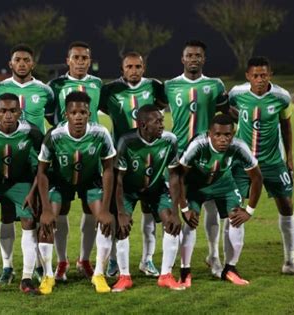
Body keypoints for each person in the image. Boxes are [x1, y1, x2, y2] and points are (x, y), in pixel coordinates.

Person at [229, 56, 294, 277]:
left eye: (264, 75)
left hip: (273, 161)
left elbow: (286, 126)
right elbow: (225, 110)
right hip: (242, 163)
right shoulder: (237, 93)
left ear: (270, 75)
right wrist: (239, 121)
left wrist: (290, 158)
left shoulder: (281, 97)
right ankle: (230, 267)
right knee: (234, 210)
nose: (259, 79)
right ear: (248, 76)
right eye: (255, 75)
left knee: (287, 205)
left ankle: (290, 262)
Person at [0, 44, 53, 284]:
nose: (22, 63)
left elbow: (54, 118)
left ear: (32, 63)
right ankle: (7, 267)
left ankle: (32, 267)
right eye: (17, 59)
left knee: (31, 214)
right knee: (5, 214)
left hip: (33, 161)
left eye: (26, 59)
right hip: (4, 158)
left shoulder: (44, 90)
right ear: (11, 62)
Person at [36, 91, 115, 294]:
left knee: (105, 221)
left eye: (83, 112)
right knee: (48, 221)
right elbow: (42, 172)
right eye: (74, 112)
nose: (78, 116)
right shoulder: (54, 135)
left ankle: (98, 273)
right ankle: (51, 272)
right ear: (66, 114)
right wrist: (45, 209)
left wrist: (105, 209)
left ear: (89, 114)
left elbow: (108, 169)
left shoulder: (100, 133)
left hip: (90, 180)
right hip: (61, 180)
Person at [164, 40, 229, 283]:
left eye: (198, 55)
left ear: (204, 59)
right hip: (179, 157)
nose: (193, 59)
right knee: (179, 208)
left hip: (208, 157)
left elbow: (226, 114)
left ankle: (213, 256)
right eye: (189, 55)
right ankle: (172, 263)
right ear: (182, 59)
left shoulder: (215, 85)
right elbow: (154, 110)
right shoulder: (170, 86)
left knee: (211, 207)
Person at [99, 51, 167, 278]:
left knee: (149, 212)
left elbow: (159, 111)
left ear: (144, 68)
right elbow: (104, 110)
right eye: (129, 66)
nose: (134, 71)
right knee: (117, 212)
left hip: (148, 158)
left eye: (138, 66)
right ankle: (114, 262)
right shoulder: (109, 90)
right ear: (122, 69)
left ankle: (147, 260)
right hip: (121, 157)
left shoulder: (155, 86)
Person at [177, 114, 263, 286]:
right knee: (190, 222)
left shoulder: (239, 146)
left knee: (236, 219)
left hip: (225, 185)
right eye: (218, 135)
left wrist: (249, 210)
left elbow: (257, 178)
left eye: (227, 135)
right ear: (209, 134)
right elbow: (179, 176)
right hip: (197, 186)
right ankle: (185, 272)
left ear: (233, 134)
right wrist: (184, 208)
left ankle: (230, 269)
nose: (223, 139)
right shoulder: (198, 145)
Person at [0, 93, 43, 297]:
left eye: (13, 111)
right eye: (3, 111)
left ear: (19, 112)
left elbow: (43, 163)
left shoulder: (31, 130)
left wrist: (33, 192)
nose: (8, 115)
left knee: (29, 220)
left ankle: (27, 278)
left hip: (20, 181)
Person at [47, 41, 103, 280]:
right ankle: (61, 262)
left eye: (85, 58)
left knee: (90, 209)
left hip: (92, 153)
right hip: (63, 153)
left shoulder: (98, 84)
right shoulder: (56, 85)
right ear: (67, 60)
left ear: (89, 61)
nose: (80, 62)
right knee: (62, 208)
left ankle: (84, 260)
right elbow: (49, 115)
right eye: (76, 58)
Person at [113, 105, 183, 292]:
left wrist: (176, 212)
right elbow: (117, 179)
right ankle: (124, 276)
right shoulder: (126, 141)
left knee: (172, 224)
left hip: (156, 188)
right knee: (121, 227)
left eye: (162, 120)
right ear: (143, 124)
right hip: (129, 189)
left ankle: (166, 275)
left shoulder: (170, 140)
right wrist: (121, 213)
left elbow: (175, 176)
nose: (162, 124)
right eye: (157, 121)